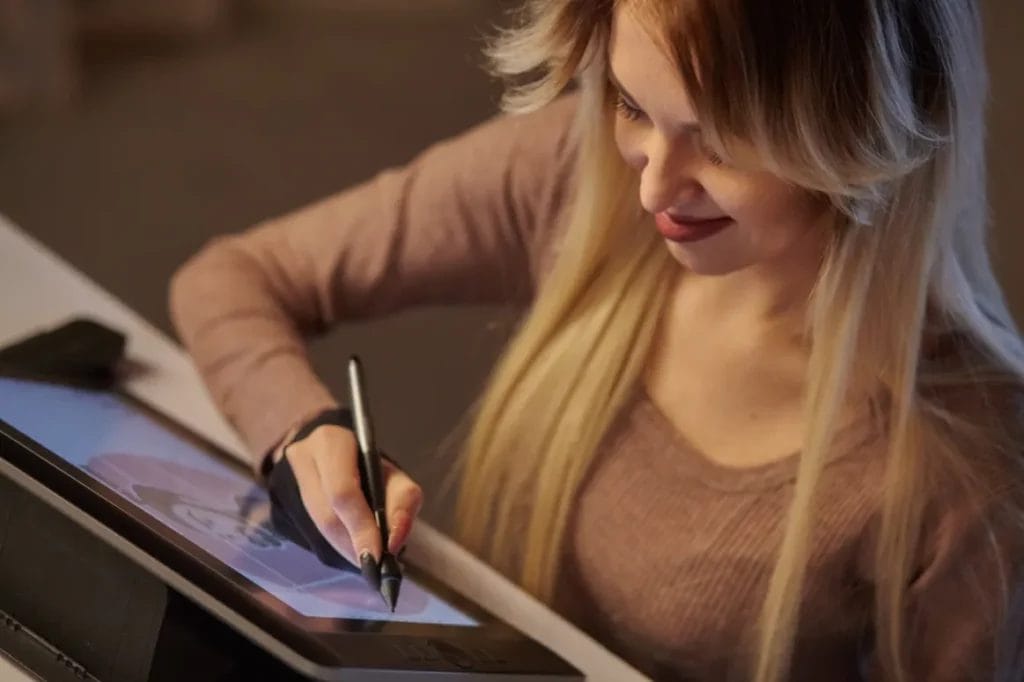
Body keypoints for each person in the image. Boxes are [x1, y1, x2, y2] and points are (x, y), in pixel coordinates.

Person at [168, 1, 1024, 680]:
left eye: (721, 136)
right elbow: (230, 280)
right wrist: (302, 431)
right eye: (631, 104)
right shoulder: (571, 178)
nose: (652, 181)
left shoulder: (971, 468)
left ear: (872, 129)